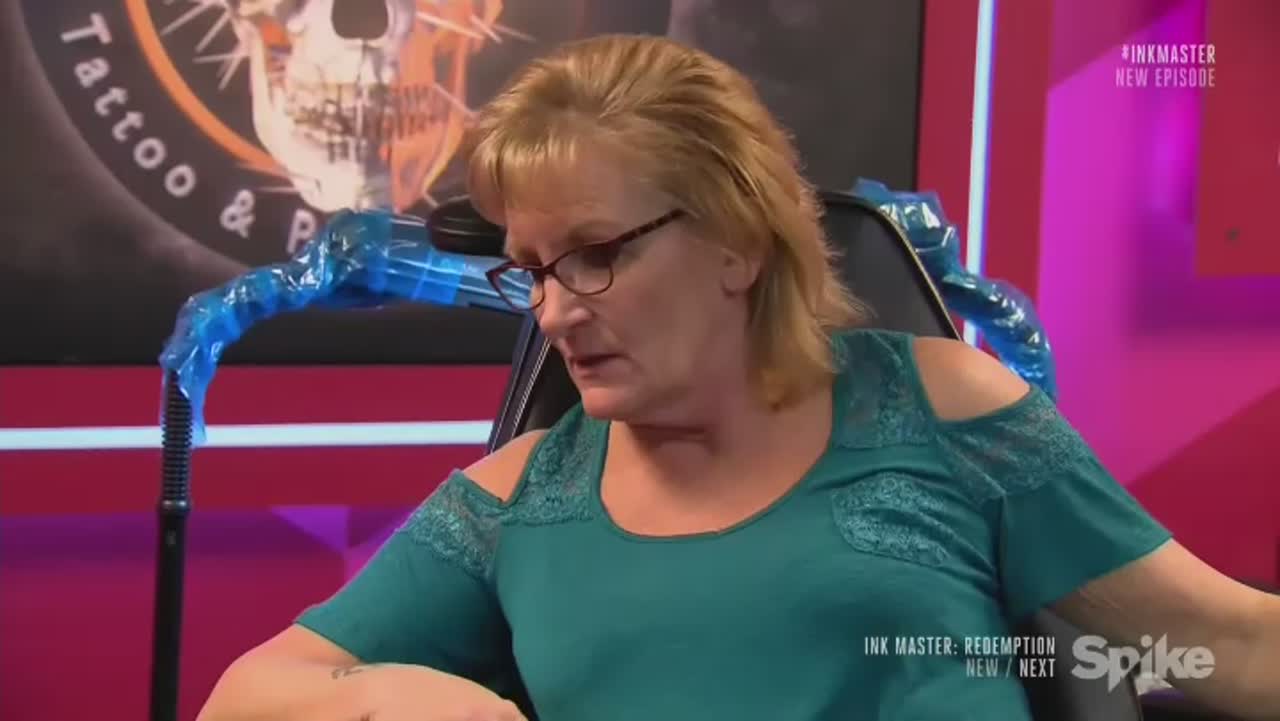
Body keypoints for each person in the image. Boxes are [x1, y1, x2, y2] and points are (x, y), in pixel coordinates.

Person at [195, 34, 1280, 721]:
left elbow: (1226, 643)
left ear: (738, 243)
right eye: (534, 269)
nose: (554, 311)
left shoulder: (951, 411)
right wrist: (395, 698)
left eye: (596, 254)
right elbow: (248, 694)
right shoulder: (513, 503)